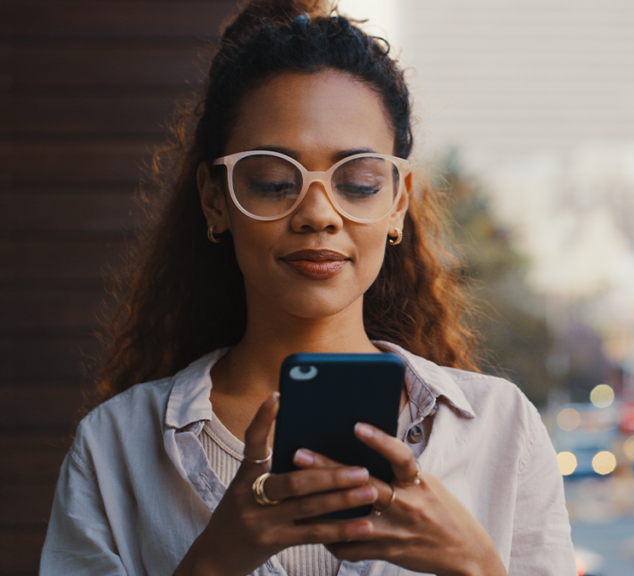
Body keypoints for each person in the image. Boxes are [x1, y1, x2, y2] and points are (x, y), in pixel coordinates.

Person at [39, 2, 575, 575]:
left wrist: (478, 566)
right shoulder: (116, 445)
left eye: (359, 183)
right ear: (216, 199)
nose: (318, 213)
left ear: (398, 202)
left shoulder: (502, 428)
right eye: (273, 181)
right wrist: (213, 563)